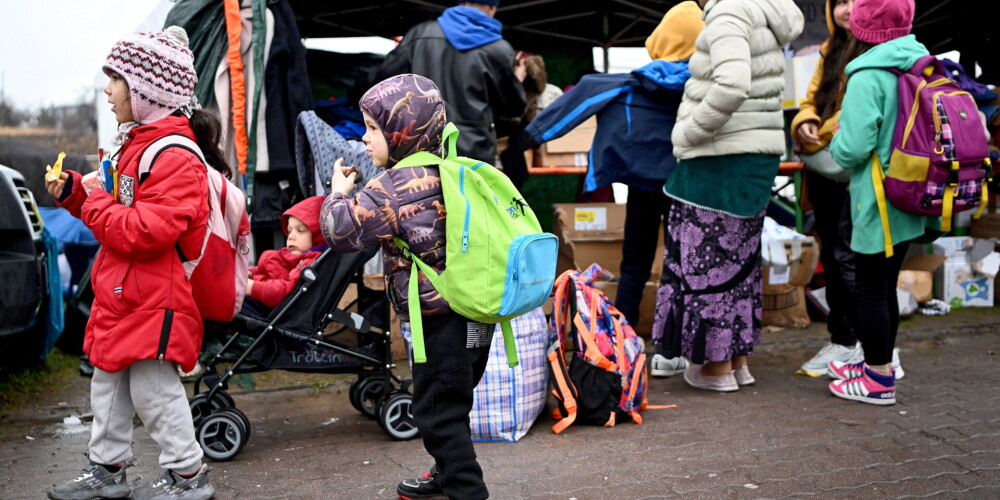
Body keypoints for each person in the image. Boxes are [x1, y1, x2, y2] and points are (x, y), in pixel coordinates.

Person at [45, 26, 218, 500]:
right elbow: (116, 207)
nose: (107, 89)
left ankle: (188, 475)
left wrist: (95, 204)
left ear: (146, 90)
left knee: (153, 392)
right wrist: (78, 194)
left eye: (116, 78)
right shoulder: (135, 145)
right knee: (108, 385)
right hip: (123, 291)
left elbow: (145, 230)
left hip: (154, 293)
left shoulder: (175, 155)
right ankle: (107, 470)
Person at [320, 74, 491, 500]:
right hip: (477, 313)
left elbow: (340, 233)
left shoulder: (392, 187)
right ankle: (445, 472)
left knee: (436, 414)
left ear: (403, 130)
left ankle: (467, 491)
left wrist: (338, 194)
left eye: (373, 128)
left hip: (440, 321)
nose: (364, 137)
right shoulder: (456, 169)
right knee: (453, 405)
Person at [525, 1, 705, 377]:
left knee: (634, 263)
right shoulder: (706, 87)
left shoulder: (631, 81)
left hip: (640, 184)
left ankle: (621, 342)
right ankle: (671, 349)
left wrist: (530, 136)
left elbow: (580, 98)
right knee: (682, 264)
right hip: (687, 184)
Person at [657, 0, 803, 392]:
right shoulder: (764, 10)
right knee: (738, 265)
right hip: (756, 155)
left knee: (704, 265)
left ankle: (715, 369)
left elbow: (732, 83)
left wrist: (689, 132)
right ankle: (737, 363)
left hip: (717, 158)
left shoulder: (728, 12)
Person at [791, 0, 907, 379]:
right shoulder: (829, 50)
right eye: (839, 2)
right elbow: (812, 100)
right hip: (827, 170)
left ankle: (872, 351)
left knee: (861, 266)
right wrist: (805, 122)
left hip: (856, 171)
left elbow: (856, 126)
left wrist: (817, 141)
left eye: (854, 2)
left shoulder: (874, 61)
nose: (846, 9)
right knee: (838, 257)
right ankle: (845, 340)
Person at [827, 0, 926, 405]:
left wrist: (833, 140)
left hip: (879, 198)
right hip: (913, 191)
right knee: (885, 284)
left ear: (864, 26)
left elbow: (851, 149)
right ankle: (875, 362)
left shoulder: (868, 75)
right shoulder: (920, 63)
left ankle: (879, 379)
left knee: (869, 287)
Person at [370, 0, 527, 164]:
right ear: (492, 8)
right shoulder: (499, 49)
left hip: (420, 143)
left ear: (461, 3)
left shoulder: (421, 33)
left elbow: (382, 80)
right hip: (473, 150)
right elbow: (513, 108)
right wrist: (518, 80)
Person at [243, 195, 327, 314]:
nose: (291, 236)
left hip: (273, 307)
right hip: (261, 293)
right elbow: (266, 268)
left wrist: (253, 287)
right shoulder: (289, 255)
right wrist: (251, 273)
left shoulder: (310, 262)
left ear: (318, 234)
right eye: (290, 230)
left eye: (300, 230)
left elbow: (288, 291)